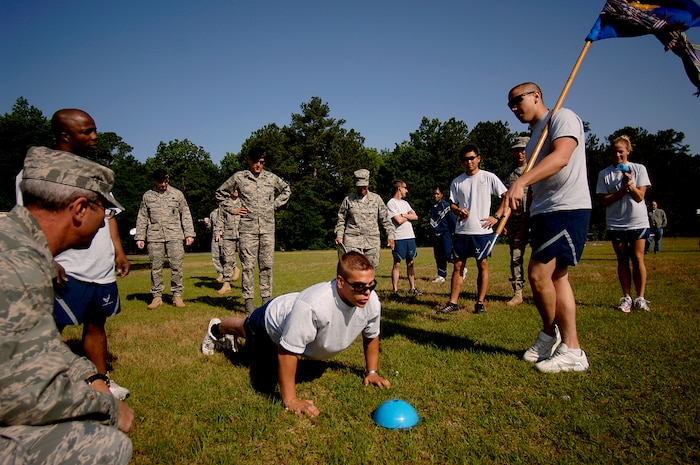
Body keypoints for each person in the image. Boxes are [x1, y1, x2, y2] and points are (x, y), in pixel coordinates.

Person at [1, 146, 134, 464]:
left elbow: (38, 345)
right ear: (79, 209)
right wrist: (107, 407)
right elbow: (20, 393)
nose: (105, 220)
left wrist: (90, 376)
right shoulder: (17, 265)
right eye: (102, 208)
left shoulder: (19, 245)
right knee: (105, 446)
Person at [14, 109, 131, 400]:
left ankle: (101, 380)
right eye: (87, 131)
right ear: (65, 135)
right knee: (48, 328)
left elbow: (109, 217)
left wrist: (117, 249)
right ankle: (43, 383)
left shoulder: (94, 174)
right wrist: (47, 259)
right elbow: (31, 221)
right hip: (68, 266)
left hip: (99, 266)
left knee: (96, 324)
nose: (95, 137)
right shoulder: (34, 176)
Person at [200, 251, 391, 418]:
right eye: (359, 286)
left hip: (296, 315)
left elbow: (371, 334)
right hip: (272, 320)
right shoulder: (314, 305)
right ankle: (216, 329)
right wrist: (291, 400)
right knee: (243, 328)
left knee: (260, 352)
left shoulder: (371, 301)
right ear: (340, 282)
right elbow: (287, 351)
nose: (367, 292)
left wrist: (372, 372)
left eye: (370, 285)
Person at [503, 82, 591, 373]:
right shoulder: (532, 139)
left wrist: (520, 181)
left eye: (518, 100)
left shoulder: (563, 117)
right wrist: (524, 222)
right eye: (510, 105)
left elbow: (562, 157)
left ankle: (565, 343)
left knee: (539, 275)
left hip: (565, 207)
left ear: (537, 96)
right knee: (556, 278)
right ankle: (559, 341)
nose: (515, 108)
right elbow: (537, 186)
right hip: (544, 210)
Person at [216, 148, 291, 314]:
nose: (259, 166)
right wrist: (234, 208)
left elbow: (286, 190)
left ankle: (266, 302)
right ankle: (248, 303)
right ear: (249, 160)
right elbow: (220, 193)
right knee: (248, 266)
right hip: (247, 230)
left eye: (262, 162)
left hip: (267, 229)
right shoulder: (240, 177)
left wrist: (275, 204)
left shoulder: (271, 178)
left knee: (267, 266)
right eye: (256, 162)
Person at [437, 145, 507, 315]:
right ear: (462, 161)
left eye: (472, 158)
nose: (469, 162)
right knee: (458, 266)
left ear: (478, 158)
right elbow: (452, 204)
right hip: (462, 230)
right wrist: (457, 210)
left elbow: (506, 196)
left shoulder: (489, 177)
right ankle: (453, 303)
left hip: (482, 231)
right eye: (465, 159)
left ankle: (480, 302)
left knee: (482, 264)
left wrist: (496, 217)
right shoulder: (457, 181)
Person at [596, 135, 652, 312]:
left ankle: (640, 298)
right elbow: (604, 201)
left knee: (637, 257)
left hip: (637, 221)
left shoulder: (639, 169)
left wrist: (630, 184)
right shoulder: (605, 174)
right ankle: (626, 297)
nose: (617, 155)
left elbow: (640, 196)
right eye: (614, 152)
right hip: (616, 222)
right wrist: (622, 190)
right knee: (622, 259)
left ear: (627, 151)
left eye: (620, 152)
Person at [135, 169, 196, 309]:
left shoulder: (177, 194)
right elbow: (142, 217)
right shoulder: (148, 196)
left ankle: (177, 296)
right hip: (154, 236)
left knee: (176, 266)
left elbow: (185, 214)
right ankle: (157, 297)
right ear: (154, 181)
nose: (164, 184)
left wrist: (189, 234)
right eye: (161, 182)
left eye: (166, 181)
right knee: (155, 267)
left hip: (174, 235)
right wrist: (140, 237)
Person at [335, 169, 395, 270]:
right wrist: (339, 235)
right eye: (359, 187)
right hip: (352, 241)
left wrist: (390, 236)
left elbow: (386, 219)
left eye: (364, 187)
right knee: (353, 271)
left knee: (371, 270)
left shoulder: (376, 199)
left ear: (368, 184)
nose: (361, 190)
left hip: (372, 242)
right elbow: (341, 219)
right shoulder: (348, 200)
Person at [501, 136, 531, 307]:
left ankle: (542, 290)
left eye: (523, 149)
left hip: (535, 217)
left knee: (541, 258)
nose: (520, 153)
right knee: (516, 257)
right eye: (517, 150)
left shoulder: (536, 167)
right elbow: (504, 197)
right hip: (515, 220)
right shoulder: (509, 172)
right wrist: (504, 223)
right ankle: (518, 292)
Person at [386, 180, 421, 298]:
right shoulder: (391, 203)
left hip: (409, 236)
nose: (407, 190)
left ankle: (413, 288)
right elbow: (398, 220)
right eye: (405, 188)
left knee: (410, 262)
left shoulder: (405, 203)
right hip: (398, 237)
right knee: (397, 263)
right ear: (399, 188)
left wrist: (404, 215)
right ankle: (395, 291)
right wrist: (406, 216)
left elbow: (415, 216)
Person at [215, 188, 243, 295]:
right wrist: (218, 232)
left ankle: (247, 286)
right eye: (233, 189)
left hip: (243, 235)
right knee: (227, 260)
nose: (235, 191)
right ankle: (226, 284)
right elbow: (220, 219)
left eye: (237, 189)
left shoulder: (244, 201)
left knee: (246, 261)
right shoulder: (224, 203)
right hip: (228, 235)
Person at [429, 186, 456, 284]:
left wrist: (454, 233)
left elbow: (452, 220)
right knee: (438, 255)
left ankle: (461, 268)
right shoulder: (433, 208)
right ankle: (441, 275)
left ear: (442, 195)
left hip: (445, 234)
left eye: (437, 194)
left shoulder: (446, 206)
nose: (435, 196)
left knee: (448, 254)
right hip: (436, 235)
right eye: (434, 194)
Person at [208, 201, 226, 282]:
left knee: (225, 256)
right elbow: (210, 226)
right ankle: (221, 274)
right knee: (215, 257)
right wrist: (206, 223)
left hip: (224, 237)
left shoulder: (227, 211)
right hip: (215, 238)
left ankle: (229, 273)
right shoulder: (213, 213)